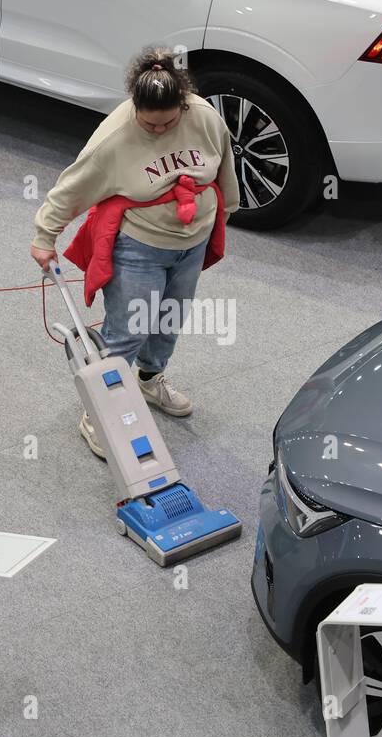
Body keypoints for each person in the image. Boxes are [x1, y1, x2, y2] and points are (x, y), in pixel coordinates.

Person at [30, 46, 239, 458]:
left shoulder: (205, 118)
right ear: (135, 109)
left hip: (190, 241)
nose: (160, 131)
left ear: (183, 104)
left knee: (169, 319)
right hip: (139, 246)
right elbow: (71, 187)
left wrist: (223, 213)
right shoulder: (115, 136)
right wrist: (44, 237)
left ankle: (149, 379)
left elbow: (226, 165)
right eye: (150, 125)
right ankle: (98, 413)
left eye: (168, 123)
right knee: (126, 331)